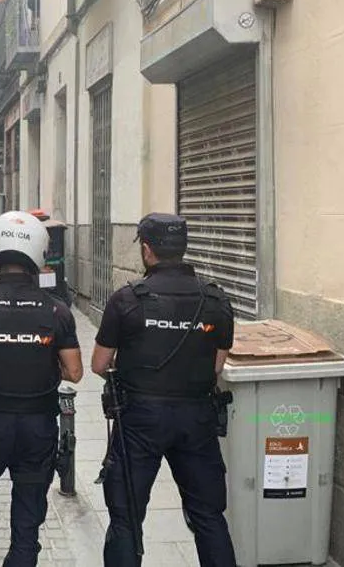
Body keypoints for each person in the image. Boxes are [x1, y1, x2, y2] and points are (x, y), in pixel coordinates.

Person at [92, 213, 237, 567]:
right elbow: (217, 365)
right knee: (209, 516)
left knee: (126, 518)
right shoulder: (216, 300)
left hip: (139, 420)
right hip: (197, 420)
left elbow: (98, 364)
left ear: (147, 250)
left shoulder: (126, 299)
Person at [0, 211, 84, 567]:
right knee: (28, 518)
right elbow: (74, 372)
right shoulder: (57, 311)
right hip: (38, 428)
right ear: (39, 252)